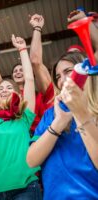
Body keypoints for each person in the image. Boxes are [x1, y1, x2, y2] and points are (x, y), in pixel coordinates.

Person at [0, 35, 41, 199]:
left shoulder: (24, 117)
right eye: (1, 88)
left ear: (17, 94)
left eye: (9, 87)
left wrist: (22, 49)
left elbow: (30, 80)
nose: (4, 89)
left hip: (25, 188)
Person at [26, 51, 98, 199]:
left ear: (86, 73)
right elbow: (31, 160)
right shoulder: (51, 114)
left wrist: (80, 113)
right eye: (58, 77)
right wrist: (58, 123)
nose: (62, 80)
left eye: (68, 71)